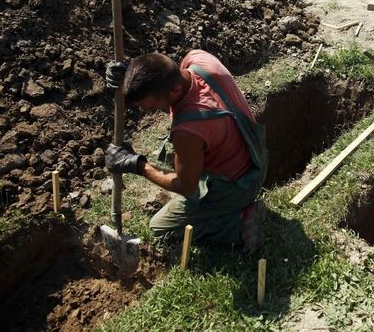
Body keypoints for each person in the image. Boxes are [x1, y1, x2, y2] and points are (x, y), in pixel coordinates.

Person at [104, 49, 268, 253]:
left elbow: (185, 185)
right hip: (255, 156)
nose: (142, 109)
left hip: (236, 187)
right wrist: (132, 74)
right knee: (184, 159)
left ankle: (240, 222)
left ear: (174, 92)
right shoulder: (198, 59)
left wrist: (136, 164)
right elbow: (159, 74)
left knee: (160, 228)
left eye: (150, 105)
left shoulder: (188, 131)